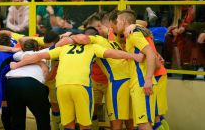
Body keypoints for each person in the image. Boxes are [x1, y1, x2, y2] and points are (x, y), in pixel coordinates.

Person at [10, 35, 144, 130]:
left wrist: (18, 65)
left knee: (68, 123)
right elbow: (112, 53)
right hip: (81, 85)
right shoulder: (92, 47)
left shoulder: (64, 48)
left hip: (61, 86)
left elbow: (38, 55)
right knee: (85, 124)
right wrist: (134, 56)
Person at [116, 10, 158, 130]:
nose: (116, 23)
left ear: (123, 21)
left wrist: (148, 79)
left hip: (142, 82)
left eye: (118, 21)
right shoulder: (131, 33)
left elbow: (150, 54)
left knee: (144, 124)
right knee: (143, 123)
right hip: (138, 83)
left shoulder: (134, 33)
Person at [6, 39, 51, 130]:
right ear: (38, 47)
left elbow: (25, 52)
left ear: (22, 48)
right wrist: (40, 62)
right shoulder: (44, 53)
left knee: (17, 118)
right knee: (43, 117)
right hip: (31, 83)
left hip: (12, 82)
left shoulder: (17, 55)